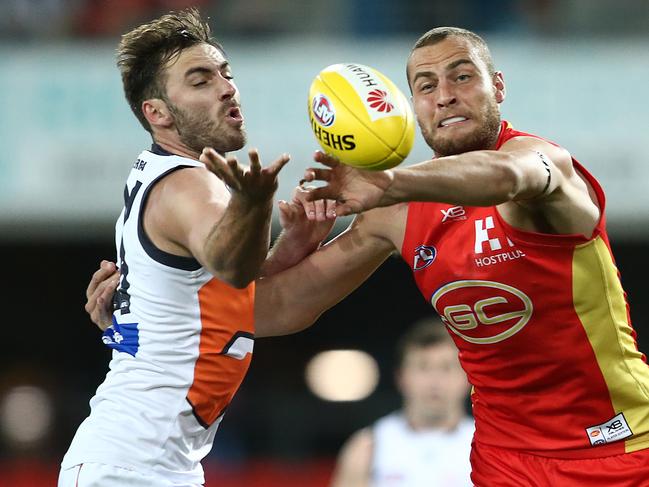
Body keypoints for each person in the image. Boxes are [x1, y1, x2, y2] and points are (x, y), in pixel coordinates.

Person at [86, 27, 649, 485]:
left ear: (497, 87)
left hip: (621, 442)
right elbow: (272, 309)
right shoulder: (395, 213)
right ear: (411, 109)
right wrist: (153, 298)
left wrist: (392, 182)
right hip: (506, 458)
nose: (445, 94)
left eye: (462, 77)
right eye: (425, 86)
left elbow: (510, 177)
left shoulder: (541, 164)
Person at [60, 8, 334, 487]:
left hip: (148, 462)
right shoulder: (190, 185)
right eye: (201, 80)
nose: (227, 87)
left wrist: (292, 245)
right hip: (129, 466)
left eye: (226, 74)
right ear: (158, 113)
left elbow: (227, 291)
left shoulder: (163, 179)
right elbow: (231, 266)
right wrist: (256, 204)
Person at [330, 319, 473, 487]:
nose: (435, 381)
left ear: (467, 378)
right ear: (401, 377)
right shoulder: (368, 447)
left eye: (446, 368)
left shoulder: (487, 445)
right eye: (423, 367)